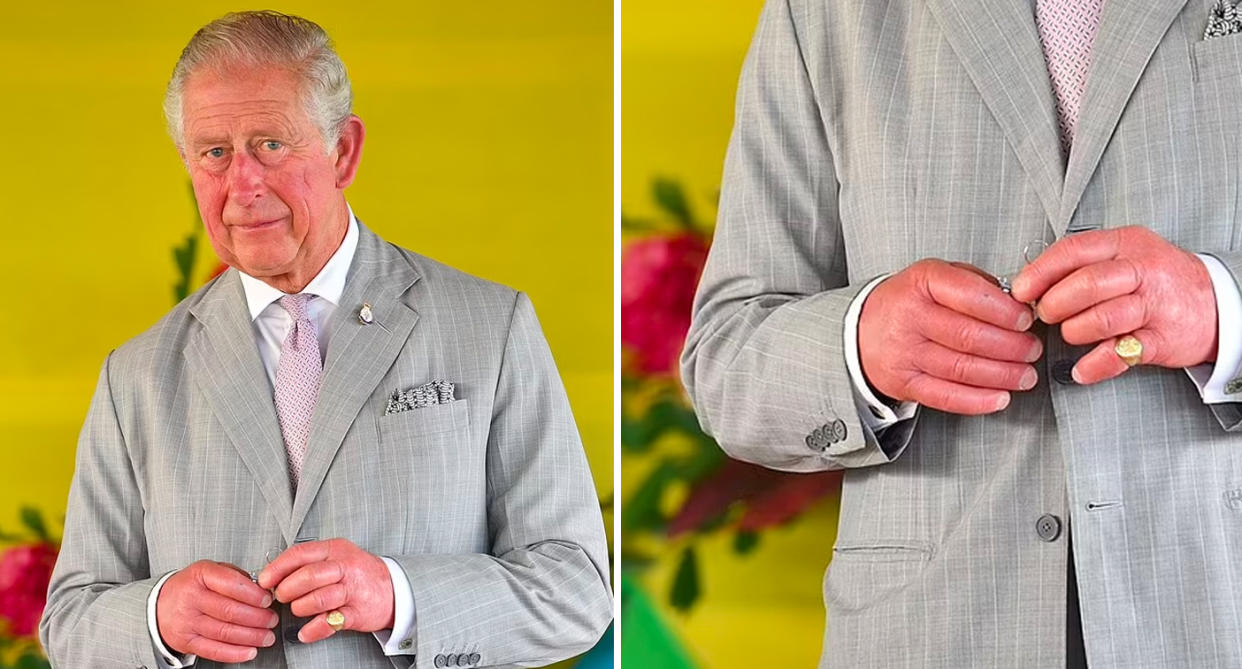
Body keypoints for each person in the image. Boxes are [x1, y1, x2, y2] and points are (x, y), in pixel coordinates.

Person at [39, 11, 611, 668]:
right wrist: (157, 616)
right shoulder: (134, 376)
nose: (243, 184)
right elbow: (70, 621)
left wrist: (400, 595)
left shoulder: (493, 326)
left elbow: (578, 589)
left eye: (271, 145)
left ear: (344, 151)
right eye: (215, 152)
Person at [681, 0, 1242, 666]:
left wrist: (1219, 309)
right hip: (929, 629)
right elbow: (724, 357)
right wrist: (862, 344)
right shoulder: (822, 11)